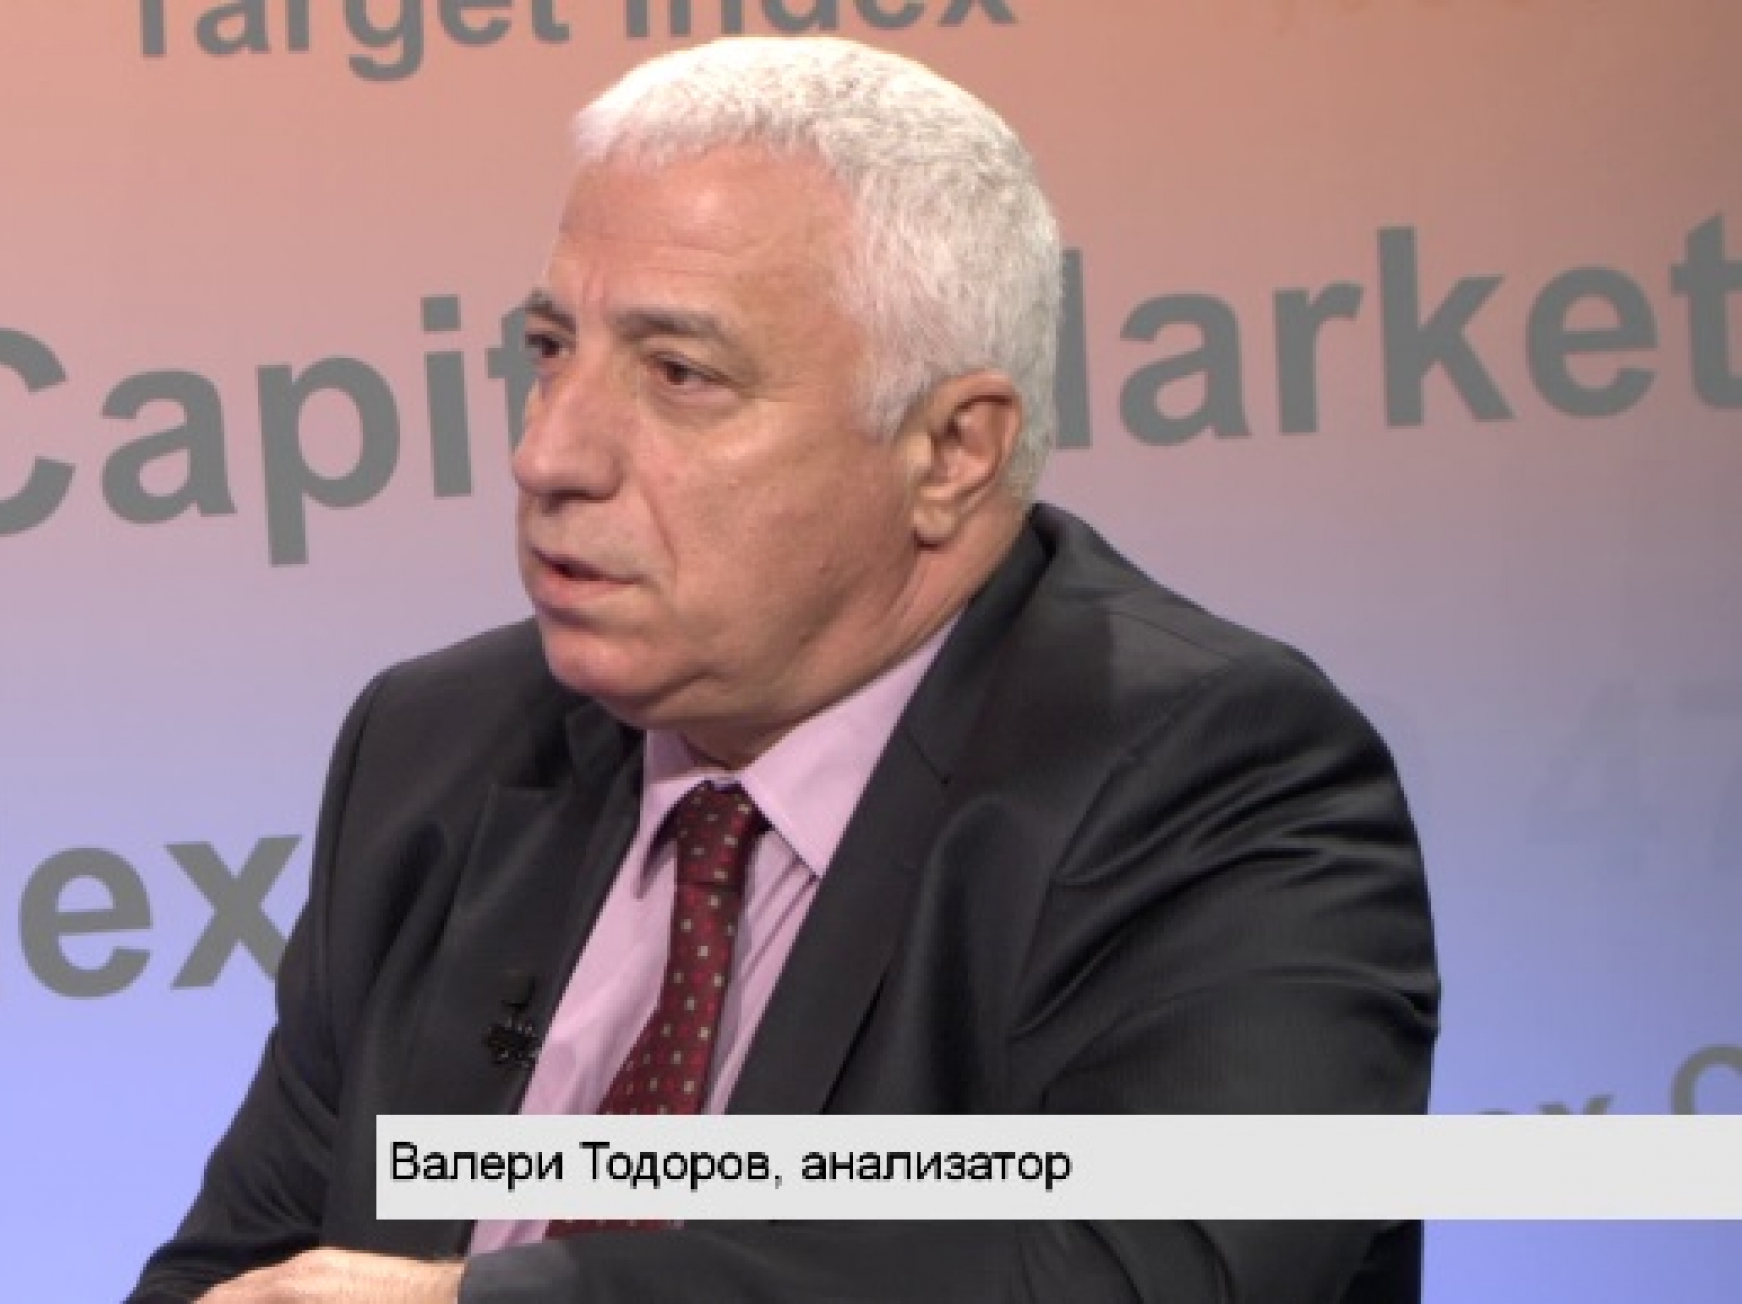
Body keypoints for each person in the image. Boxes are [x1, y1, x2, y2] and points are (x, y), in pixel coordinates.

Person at [128, 35, 1439, 1304]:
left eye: (679, 373)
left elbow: (1146, 1264)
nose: (549, 455)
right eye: (551, 351)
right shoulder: (441, 744)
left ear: (950, 452)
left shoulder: (1211, 775)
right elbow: (241, 1266)